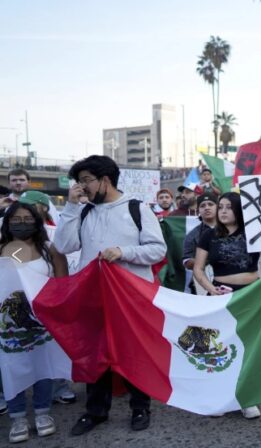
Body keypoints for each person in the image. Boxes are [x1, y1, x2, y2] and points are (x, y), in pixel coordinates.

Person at [53, 155, 166, 435]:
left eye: (86, 180)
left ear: (105, 180)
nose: (82, 187)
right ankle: (96, 411)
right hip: (93, 297)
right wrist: (70, 206)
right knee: (95, 353)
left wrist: (124, 252)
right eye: (78, 182)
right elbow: (63, 245)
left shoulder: (137, 208)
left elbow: (158, 250)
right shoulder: (83, 211)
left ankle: (140, 408)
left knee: (133, 352)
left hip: (130, 298)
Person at [0, 202, 68, 443]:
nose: (21, 224)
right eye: (15, 220)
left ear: (37, 222)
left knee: (43, 366)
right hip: (7, 324)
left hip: (42, 321)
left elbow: (62, 284)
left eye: (27, 219)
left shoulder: (50, 250)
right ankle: (17, 417)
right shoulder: (1, 249)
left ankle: (42, 413)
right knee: (11, 367)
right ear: (7, 223)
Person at [192, 192, 261, 418]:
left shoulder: (254, 231)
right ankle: (222, 397)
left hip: (251, 295)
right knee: (223, 347)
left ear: (239, 210)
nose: (222, 211)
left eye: (228, 207)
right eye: (220, 206)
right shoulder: (208, 236)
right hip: (220, 296)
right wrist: (210, 290)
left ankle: (246, 397)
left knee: (248, 346)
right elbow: (198, 269)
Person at [182, 193, 218, 294]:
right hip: (204, 286)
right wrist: (206, 260)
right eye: (203, 205)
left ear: (218, 207)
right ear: (198, 211)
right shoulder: (192, 235)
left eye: (210, 204)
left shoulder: (230, 230)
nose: (207, 208)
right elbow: (186, 261)